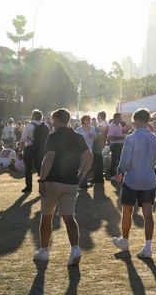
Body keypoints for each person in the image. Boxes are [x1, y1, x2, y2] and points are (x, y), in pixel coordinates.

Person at [34, 108, 92, 264]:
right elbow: (89, 156)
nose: (53, 123)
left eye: (54, 120)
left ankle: (44, 251)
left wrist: (41, 180)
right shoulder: (78, 136)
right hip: (71, 183)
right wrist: (81, 175)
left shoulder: (53, 136)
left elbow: (49, 158)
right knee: (69, 218)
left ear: (58, 120)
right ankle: (75, 249)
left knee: (46, 217)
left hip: (53, 181)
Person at [113, 108, 156, 260]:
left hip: (132, 178)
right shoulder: (155, 138)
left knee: (127, 212)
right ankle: (148, 246)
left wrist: (119, 171)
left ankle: (125, 240)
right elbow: (154, 159)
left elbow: (125, 160)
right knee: (148, 214)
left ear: (137, 120)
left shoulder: (131, 138)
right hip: (149, 178)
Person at [19, 110, 49, 194]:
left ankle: (29, 187)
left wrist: (20, 151)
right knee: (41, 168)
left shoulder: (29, 126)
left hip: (30, 149)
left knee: (28, 169)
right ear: (41, 117)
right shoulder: (45, 126)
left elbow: (23, 140)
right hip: (41, 149)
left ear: (33, 116)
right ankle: (44, 186)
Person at [75, 115, 96, 189]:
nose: (89, 120)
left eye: (89, 119)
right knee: (81, 166)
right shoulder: (79, 129)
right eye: (87, 119)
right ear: (83, 120)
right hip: (81, 150)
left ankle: (84, 183)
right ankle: (79, 182)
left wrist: (92, 136)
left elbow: (95, 138)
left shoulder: (93, 128)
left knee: (87, 166)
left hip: (89, 149)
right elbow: (76, 140)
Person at [106, 112, 127, 179]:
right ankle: (112, 175)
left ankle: (118, 175)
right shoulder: (112, 126)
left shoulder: (119, 124)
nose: (121, 118)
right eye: (119, 117)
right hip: (115, 145)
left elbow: (122, 132)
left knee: (119, 160)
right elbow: (109, 137)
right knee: (115, 160)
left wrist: (126, 128)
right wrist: (121, 137)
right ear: (115, 118)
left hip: (120, 145)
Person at [92, 111, 108, 184]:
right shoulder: (103, 123)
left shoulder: (103, 123)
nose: (98, 117)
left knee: (97, 161)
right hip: (99, 143)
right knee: (98, 161)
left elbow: (101, 133)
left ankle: (98, 178)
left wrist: (94, 126)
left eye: (99, 115)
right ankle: (98, 178)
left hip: (98, 143)